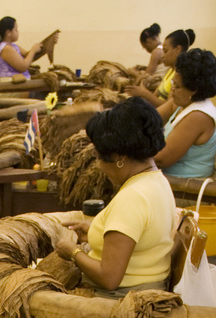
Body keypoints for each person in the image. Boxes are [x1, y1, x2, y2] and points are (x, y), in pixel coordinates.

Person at [55, 98, 176, 296]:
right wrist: (97, 232)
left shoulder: (132, 198)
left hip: (116, 302)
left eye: (99, 157)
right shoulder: (157, 181)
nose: (100, 166)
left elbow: (109, 277)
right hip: (146, 289)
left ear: (119, 157)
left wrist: (72, 252)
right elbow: (139, 238)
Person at [153, 48, 216, 178]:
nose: (172, 90)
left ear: (194, 90)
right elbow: (148, 119)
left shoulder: (198, 116)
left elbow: (161, 159)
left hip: (185, 189)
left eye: (177, 86)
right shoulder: (182, 102)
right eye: (172, 84)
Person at [127, 28, 195, 107]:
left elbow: (169, 107)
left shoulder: (178, 77)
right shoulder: (170, 71)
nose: (162, 56)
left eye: (165, 51)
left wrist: (144, 93)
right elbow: (155, 94)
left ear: (177, 49)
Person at [0, 17, 59, 82]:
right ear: (8, 33)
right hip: (9, 86)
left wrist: (50, 42)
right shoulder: (5, 48)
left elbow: (30, 57)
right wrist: (33, 50)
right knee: (46, 91)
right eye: (16, 30)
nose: (18, 32)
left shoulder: (13, 46)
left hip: (19, 84)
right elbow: (23, 66)